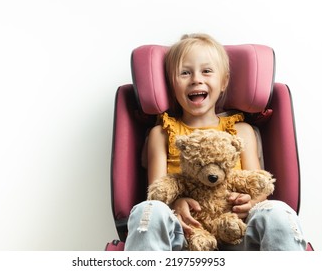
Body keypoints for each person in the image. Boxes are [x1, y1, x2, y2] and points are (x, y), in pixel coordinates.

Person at [124, 33, 307, 251]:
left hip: (236, 229)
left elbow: (259, 186)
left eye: (207, 71)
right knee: (149, 210)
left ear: (224, 82)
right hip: (185, 232)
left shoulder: (241, 131)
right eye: (185, 73)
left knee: (278, 210)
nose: (196, 79)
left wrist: (250, 202)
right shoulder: (161, 133)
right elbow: (157, 192)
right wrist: (176, 204)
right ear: (172, 84)